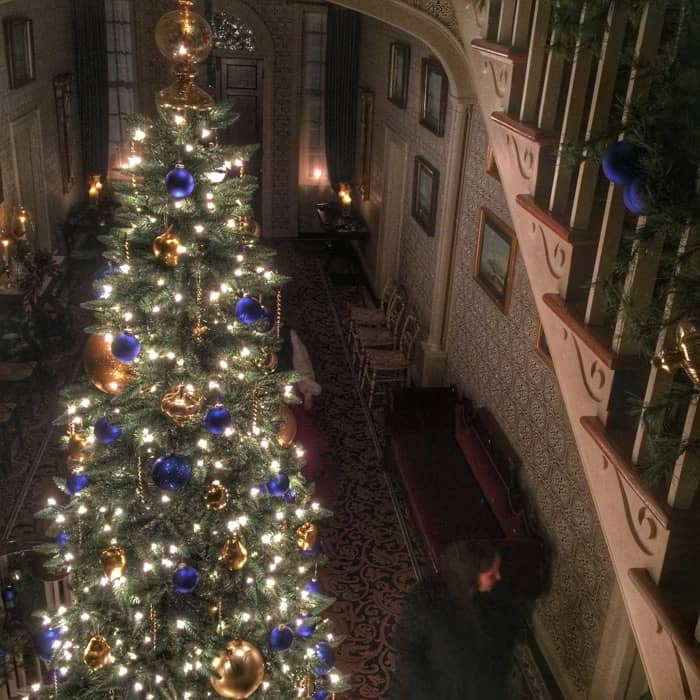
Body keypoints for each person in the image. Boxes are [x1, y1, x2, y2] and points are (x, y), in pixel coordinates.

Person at [388, 539, 527, 699]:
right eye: (491, 574)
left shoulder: (491, 596)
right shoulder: (426, 601)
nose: (499, 576)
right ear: (471, 575)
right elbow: (407, 650)